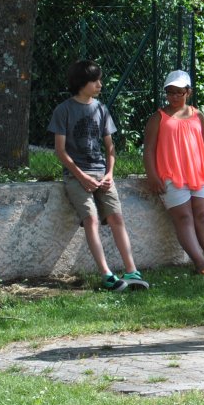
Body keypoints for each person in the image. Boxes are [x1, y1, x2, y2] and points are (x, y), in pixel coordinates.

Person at [48, 60, 144, 291]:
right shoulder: (64, 110)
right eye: (95, 80)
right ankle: (107, 274)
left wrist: (110, 174)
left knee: (116, 217)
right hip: (76, 177)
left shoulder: (101, 109)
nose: (100, 84)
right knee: (90, 219)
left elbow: (110, 149)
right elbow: (60, 151)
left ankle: (132, 271)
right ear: (82, 83)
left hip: (102, 175)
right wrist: (81, 177)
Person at [143, 69, 204, 276]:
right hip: (171, 175)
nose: (174, 97)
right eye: (170, 92)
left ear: (188, 92)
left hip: (197, 174)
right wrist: (153, 176)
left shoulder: (197, 115)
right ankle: (200, 262)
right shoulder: (158, 117)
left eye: (179, 92)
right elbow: (148, 149)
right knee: (183, 218)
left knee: (203, 217)